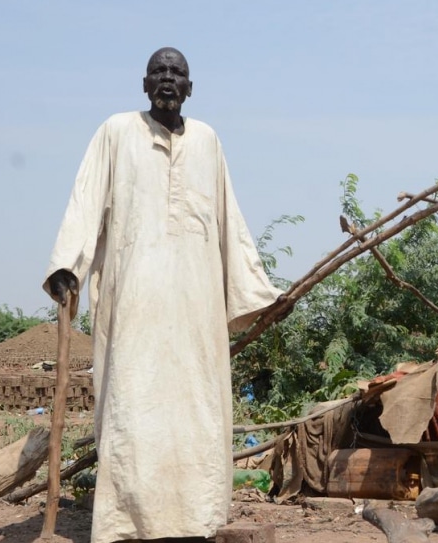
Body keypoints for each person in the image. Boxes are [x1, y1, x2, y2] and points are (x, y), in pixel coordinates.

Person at [43, 47, 284, 543]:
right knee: (134, 404)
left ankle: (197, 519)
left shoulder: (208, 141)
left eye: (177, 73)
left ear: (190, 88)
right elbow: (85, 203)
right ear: (144, 82)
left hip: (196, 305)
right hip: (134, 300)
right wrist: (69, 266)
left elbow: (228, 221)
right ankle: (128, 522)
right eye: (159, 72)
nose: (168, 79)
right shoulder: (115, 132)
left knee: (196, 406)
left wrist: (256, 292)